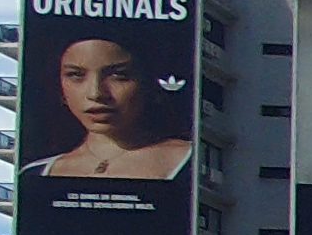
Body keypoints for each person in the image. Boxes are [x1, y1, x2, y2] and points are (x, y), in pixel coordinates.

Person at [24, 35, 191, 179]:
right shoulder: (34, 175)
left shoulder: (194, 161)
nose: (96, 93)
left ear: (148, 82)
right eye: (76, 75)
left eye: (119, 75)